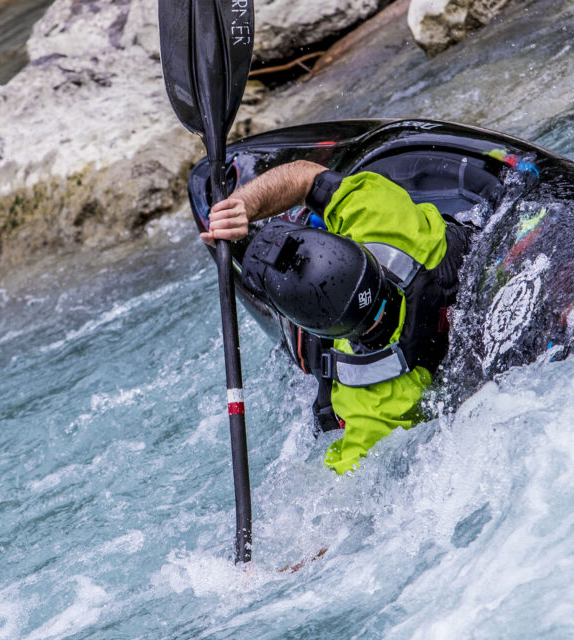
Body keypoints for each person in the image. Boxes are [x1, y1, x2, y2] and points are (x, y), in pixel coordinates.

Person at [201, 160, 472, 474]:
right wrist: (245, 205)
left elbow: (340, 496)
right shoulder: (380, 216)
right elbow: (305, 176)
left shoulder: (371, 410)